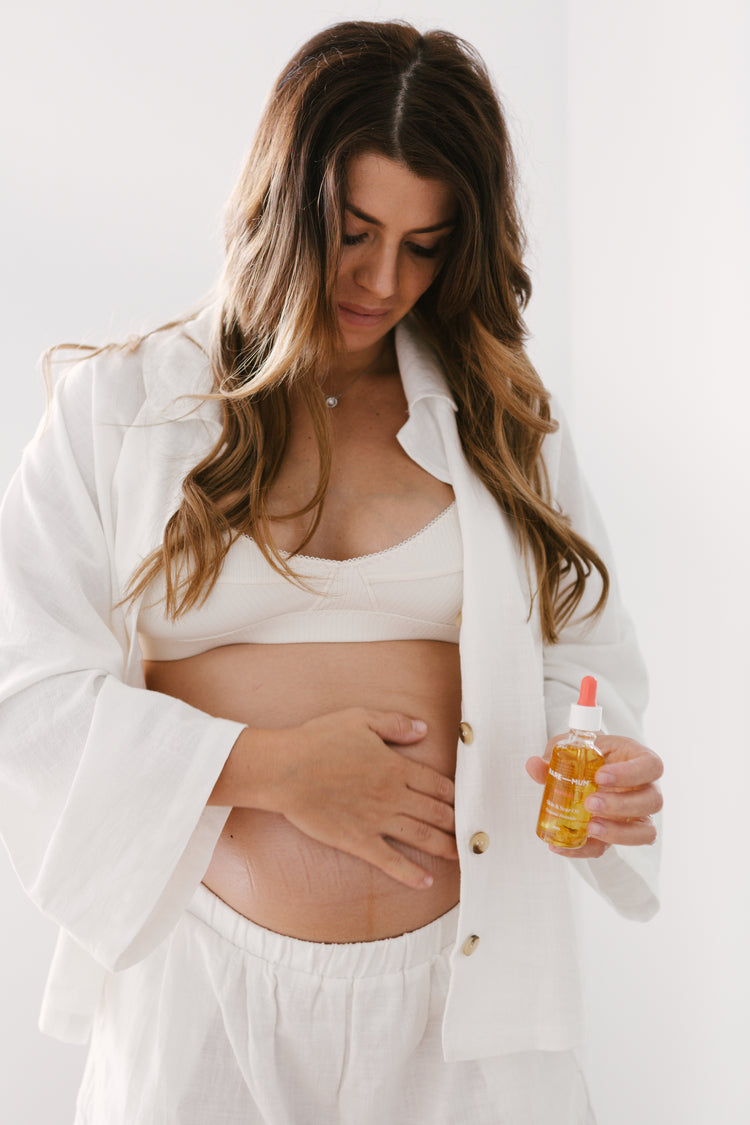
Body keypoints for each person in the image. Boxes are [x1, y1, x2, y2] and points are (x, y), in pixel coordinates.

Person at [0, 20, 663, 1124]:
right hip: (201, 989)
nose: (382, 279)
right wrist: (272, 771)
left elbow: (586, 660)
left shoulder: (505, 423)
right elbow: (21, 695)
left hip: (465, 1000)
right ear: (281, 205)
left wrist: (593, 764)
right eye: (353, 233)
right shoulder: (119, 411)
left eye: (426, 244)